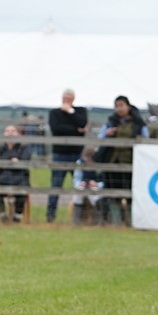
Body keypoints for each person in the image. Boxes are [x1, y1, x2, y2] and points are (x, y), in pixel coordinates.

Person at [97, 95, 148, 226]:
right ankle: (116, 222)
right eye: (117, 106)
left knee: (131, 193)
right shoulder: (110, 121)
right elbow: (100, 137)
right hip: (112, 161)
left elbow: (145, 138)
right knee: (113, 195)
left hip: (131, 162)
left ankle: (131, 221)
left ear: (128, 106)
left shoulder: (138, 123)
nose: (119, 109)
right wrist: (107, 133)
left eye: (122, 105)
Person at [46, 89, 89, 222]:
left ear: (73, 99)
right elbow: (56, 129)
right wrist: (76, 130)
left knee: (80, 184)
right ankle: (50, 215)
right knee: (56, 185)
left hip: (77, 154)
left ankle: (81, 216)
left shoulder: (80, 111)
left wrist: (70, 112)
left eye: (69, 98)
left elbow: (82, 122)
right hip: (60, 154)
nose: (66, 100)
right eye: (65, 97)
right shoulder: (54, 113)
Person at [0, 125, 30, 223]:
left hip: (20, 177)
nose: (10, 133)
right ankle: (2, 215)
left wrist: (6, 160)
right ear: (4, 134)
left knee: (22, 190)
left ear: (18, 133)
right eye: (7, 131)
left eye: (13, 130)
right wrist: (13, 159)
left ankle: (17, 215)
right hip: (3, 177)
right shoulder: (0, 147)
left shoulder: (24, 147)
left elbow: (25, 159)